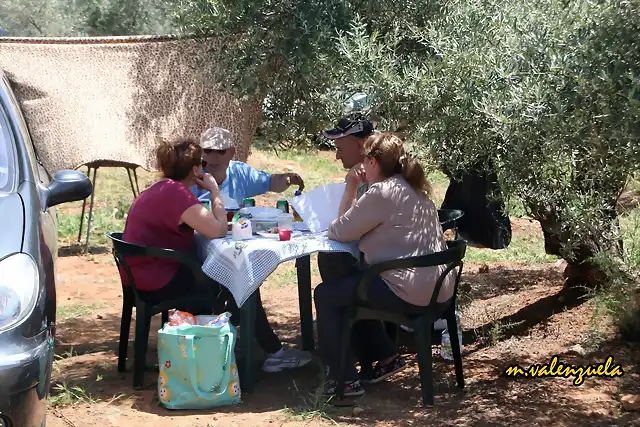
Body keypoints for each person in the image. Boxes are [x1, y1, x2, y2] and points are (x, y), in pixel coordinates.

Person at [123, 139, 311, 372]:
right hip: (159, 279)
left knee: (233, 277)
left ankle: (248, 341)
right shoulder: (177, 194)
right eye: (201, 163)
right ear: (194, 170)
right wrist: (214, 191)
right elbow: (218, 229)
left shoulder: (161, 187)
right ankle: (272, 351)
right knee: (240, 280)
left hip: (142, 273)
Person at [313, 132, 454, 397]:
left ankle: (345, 381)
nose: (362, 165)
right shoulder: (415, 187)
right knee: (352, 284)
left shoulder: (382, 192)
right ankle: (385, 356)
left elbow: (339, 231)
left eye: (365, 159)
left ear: (373, 162)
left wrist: (351, 187)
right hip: (440, 291)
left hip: (409, 292)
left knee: (327, 295)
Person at [317, 117, 375, 283]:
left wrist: (352, 184)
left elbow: (344, 230)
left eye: (340, 149)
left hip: (384, 271)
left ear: (359, 145)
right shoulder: (361, 173)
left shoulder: (377, 179)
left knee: (332, 257)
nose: (337, 156)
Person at [192, 127, 305, 207]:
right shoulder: (190, 177)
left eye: (220, 151)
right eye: (208, 150)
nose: (214, 156)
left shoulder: (240, 172)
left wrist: (287, 179)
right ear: (201, 152)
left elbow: (271, 183)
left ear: (232, 152)